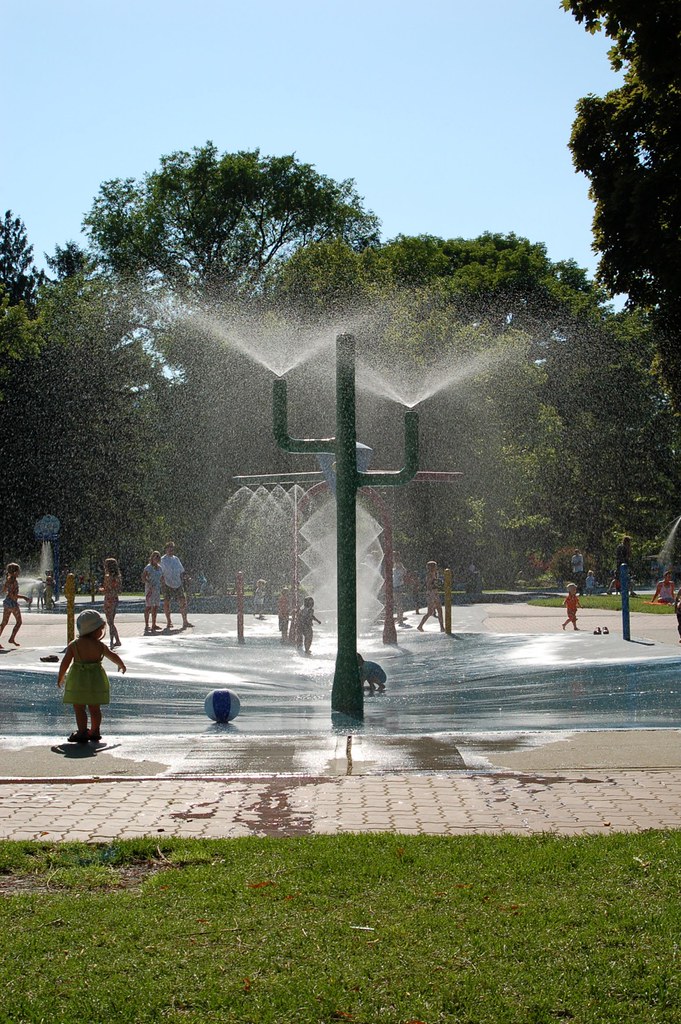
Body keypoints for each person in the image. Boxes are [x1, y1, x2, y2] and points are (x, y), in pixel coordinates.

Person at [57, 608, 126, 743]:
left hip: (78, 681)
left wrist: (61, 676)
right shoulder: (99, 645)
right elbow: (113, 656)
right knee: (95, 708)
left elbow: (65, 663)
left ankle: (82, 732)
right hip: (96, 680)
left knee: (79, 707)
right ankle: (95, 731)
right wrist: (121, 665)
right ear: (97, 630)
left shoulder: (74, 645)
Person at [160, 542, 193, 630]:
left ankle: (185, 621)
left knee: (183, 601)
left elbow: (182, 571)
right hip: (167, 584)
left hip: (178, 583)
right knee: (167, 603)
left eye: (172, 548)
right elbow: (160, 573)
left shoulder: (176, 559)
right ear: (166, 549)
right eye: (169, 548)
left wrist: (186, 577)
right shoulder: (162, 560)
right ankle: (169, 622)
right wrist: (162, 583)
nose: (171, 550)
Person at [0, 563, 29, 648]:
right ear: (15, 572)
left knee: (4, 623)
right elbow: (13, 595)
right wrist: (24, 597)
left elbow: (4, 590)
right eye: (18, 571)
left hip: (7, 603)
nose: (19, 573)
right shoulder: (14, 582)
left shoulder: (8, 580)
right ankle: (12, 638)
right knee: (19, 622)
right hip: (12, 604)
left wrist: (9, 591)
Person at [417, 560, 444, 632]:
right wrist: (436, 584)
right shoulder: (430, 575)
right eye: (435, 566)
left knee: (439, 610)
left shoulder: (435, 574)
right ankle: (420, 626)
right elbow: (429, 586)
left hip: (434, 593)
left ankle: (442, 627)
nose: (436, 567)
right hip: (432, 594)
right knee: (430, 612)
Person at [101, 557, 122, 649]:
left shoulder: (107, 577)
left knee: (110, 622)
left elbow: (106, 589)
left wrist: (101, 589)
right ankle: (116, 640)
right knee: (111, 621)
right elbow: (119, 590)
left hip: (108, 599)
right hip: (115, 598)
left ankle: (112, 641)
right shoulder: (118, 577)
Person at [142, 550, 164, 632]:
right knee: (148, 606)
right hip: (150, 590)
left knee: (155, 606)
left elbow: (161, 578)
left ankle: (154, 624)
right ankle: (147, 624)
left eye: (158, 557)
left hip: (157, 589)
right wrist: (148, 583)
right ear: (152, 558)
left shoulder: (160, 568)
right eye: (156, 557)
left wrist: (163, 584)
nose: (157, 558)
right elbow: (143, 577)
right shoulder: (148, 567)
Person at [392, 556, 407, 625]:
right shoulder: (397, 567)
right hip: (397, 586)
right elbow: (404, 572)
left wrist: (401, 577)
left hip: (398, 586)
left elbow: (404, 572)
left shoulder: (398, 565)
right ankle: (399, 618)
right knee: (398, 603)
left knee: (399, 603)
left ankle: (400, 618)